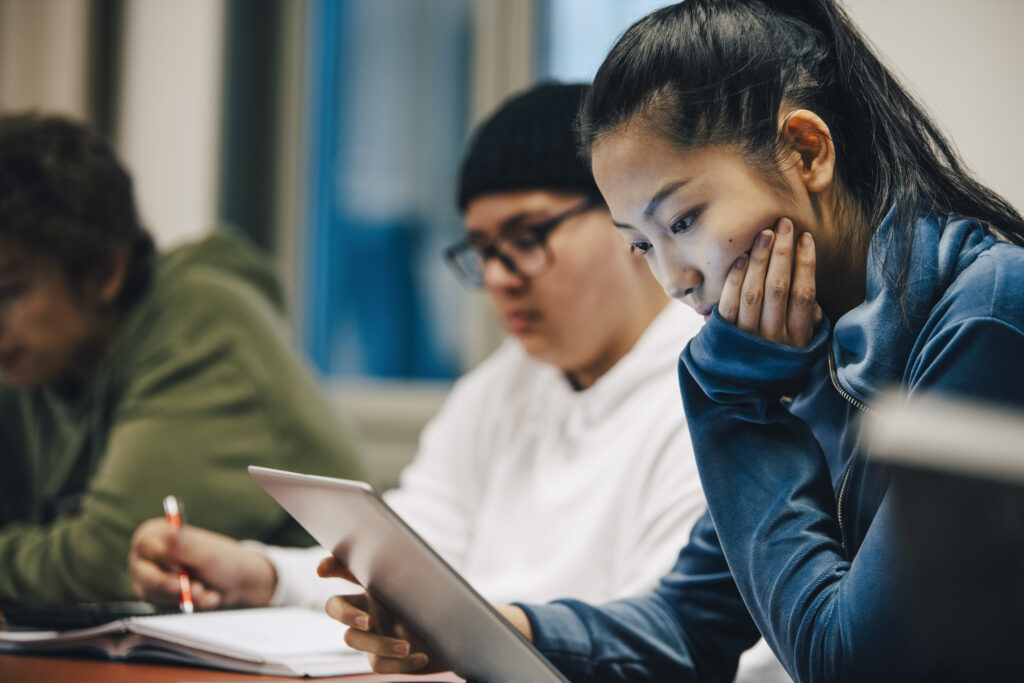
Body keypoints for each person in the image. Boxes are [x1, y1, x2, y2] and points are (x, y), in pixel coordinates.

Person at [327, 1, 1024, 681]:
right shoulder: (800, 342)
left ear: (807, 150)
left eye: (684, 221)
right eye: (640, 245)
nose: (676, 279)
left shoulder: (985, 318)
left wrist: (731, 406)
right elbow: (690, 628)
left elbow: (852, 662)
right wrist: (476, 626)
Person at [130, 82, 793, 678]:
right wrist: (261, 572)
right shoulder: (499, 387)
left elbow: (669, 636)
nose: (500, 275)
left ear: (625, 223)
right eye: (481, 250)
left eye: (526, 235)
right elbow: (409, 552)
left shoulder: (713, 386)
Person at [0, 113, 368, 605]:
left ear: (106, 272)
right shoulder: (40, 355)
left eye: (9, 290)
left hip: (317, 656)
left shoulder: (202, 329)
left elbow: (104, 560)